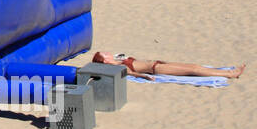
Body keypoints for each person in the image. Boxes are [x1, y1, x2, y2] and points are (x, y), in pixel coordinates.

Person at [93, 51, 244, 79]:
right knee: (194, 70)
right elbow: (130, 73)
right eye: (104, 54)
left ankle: (227, 72)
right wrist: (144, 77)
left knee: (194, 66)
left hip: (158, 64)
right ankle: (230, 74)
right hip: (157, 69)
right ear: (105, 61)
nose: (108, 52)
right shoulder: (117, 67)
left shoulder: (119, 58)